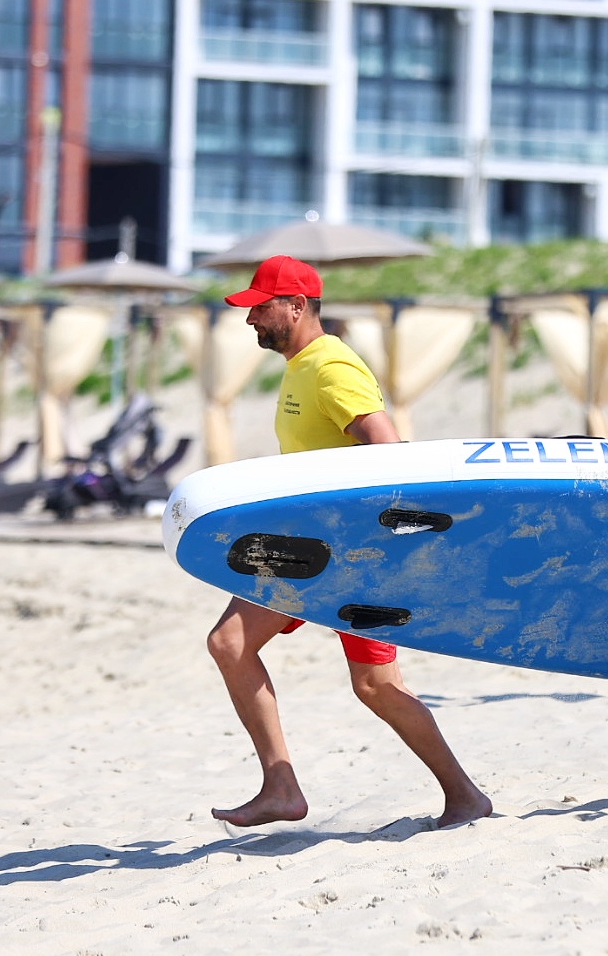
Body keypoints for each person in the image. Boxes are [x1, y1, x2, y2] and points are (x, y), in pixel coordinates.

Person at [206, 255, 492, 828]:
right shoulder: (301, 366)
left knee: (248, 648)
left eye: (261, 308)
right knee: (367, 683)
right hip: (314, 550)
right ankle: (457, 796)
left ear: (298, 306)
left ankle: (289, 788)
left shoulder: (332, 367)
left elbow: (387, 450)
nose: (251, 320)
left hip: (337, 554)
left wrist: (382, 543)